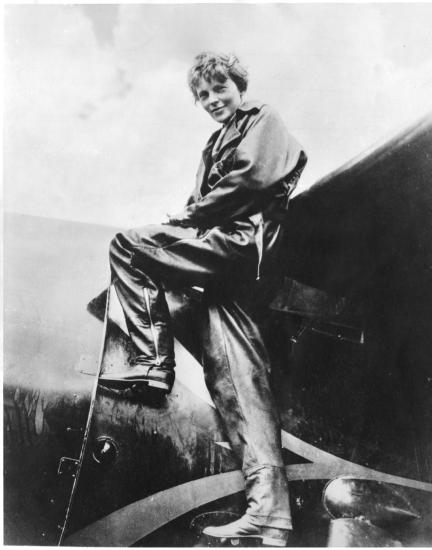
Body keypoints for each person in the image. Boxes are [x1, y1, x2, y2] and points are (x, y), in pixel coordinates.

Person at [100, 52, 307, 546]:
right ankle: (269, 516)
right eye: (204, 95)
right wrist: (191, 218)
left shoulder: (262, 118)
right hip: (225, 275)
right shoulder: (213, 142)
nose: (214, 100)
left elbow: (252, 178)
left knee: (128, 245)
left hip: (237, 245)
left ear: (239, 85)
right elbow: (206, 199)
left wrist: (188, 219)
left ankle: (152, 364)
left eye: (221, 88)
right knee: (238, 389)